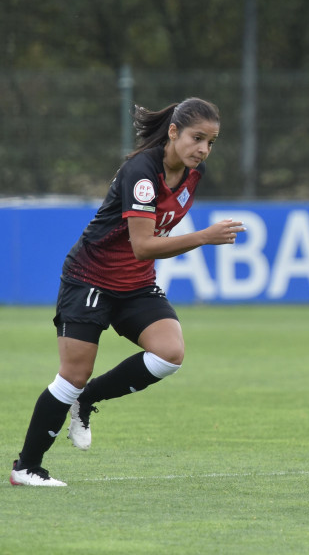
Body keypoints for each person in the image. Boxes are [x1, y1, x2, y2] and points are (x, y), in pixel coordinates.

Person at [10, 98, 245, 486]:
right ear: (173, 132)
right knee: (73, 376)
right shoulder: (142, 173)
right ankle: (26, 468)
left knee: (170, 353)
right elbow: (143, 245)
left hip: (134, 283)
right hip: (90, 278)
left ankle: (87, 400)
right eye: (197, 138)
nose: (203, 149)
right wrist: (203, 237)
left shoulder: (190, 176)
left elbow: (147, 248)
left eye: (211, 142)